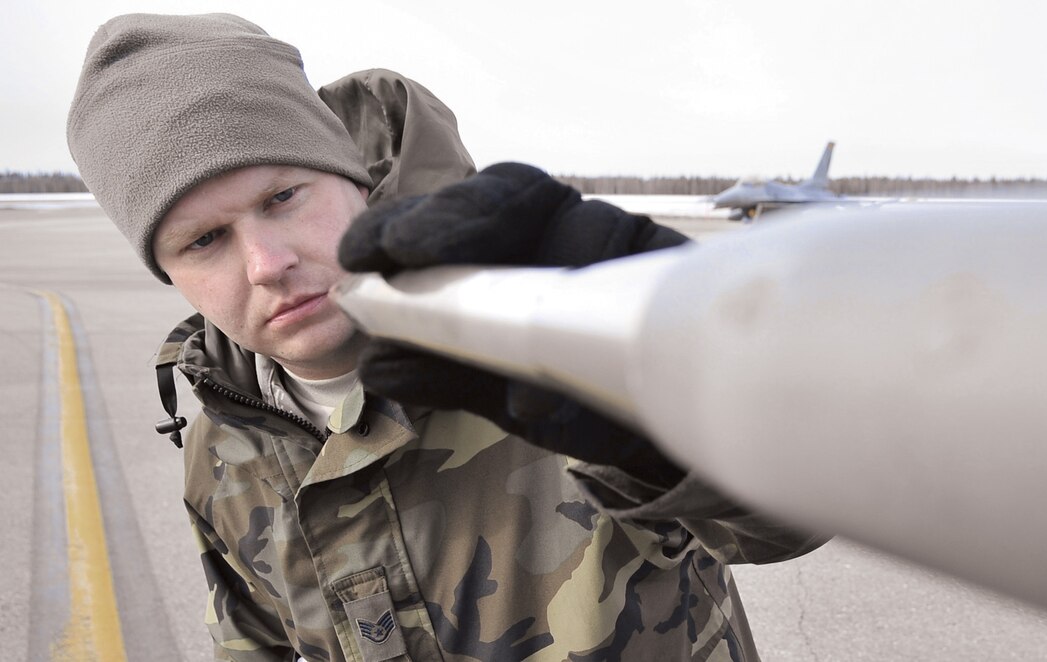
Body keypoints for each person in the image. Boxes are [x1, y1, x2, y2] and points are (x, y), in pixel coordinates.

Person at [68, 13, 826, 662]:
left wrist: (698, 377)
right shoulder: (219, 447)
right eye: (203, 241)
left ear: (354, 180)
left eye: (283, 196)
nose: (268, 264)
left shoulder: (536, 336)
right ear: (168, 272)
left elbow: (788, 520)